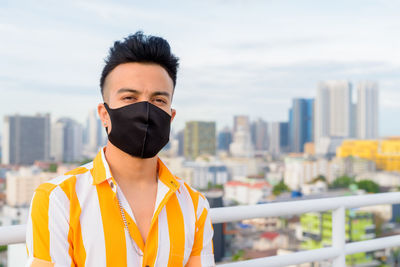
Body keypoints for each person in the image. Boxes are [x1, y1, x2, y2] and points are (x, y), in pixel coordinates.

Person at [25, 31, 215, 267]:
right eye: (129, 98)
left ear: (171, 116)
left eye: (159, 101)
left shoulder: (194, 205)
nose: (145, 110)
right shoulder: (58, 199)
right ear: (104, 114)